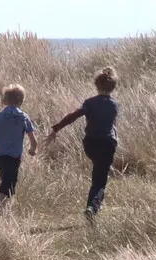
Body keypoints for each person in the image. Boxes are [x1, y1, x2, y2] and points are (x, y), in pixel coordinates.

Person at [45, 66, 119, 220]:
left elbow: (73, 116)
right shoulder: (115, 105)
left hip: (90, 144)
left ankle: (92, 206)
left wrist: (55, 129)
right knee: (100, 181)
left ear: (96, 85)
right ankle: (92, 207)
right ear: (113, 86)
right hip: (107, 144)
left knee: (97, 172)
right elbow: (113, 125)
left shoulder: (90, 103)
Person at [0, 84, 37, 212]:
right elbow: (33, 139)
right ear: (21, 101)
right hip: (13, 156)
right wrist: (32, 150)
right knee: (9, 186)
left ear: (4, 101)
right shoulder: (23, 117)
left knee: (6, 182)